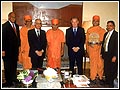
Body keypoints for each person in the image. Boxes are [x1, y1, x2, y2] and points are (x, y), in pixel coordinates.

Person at [86, 15, 106, 84]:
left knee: (100, 64)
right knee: (92, 64)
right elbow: (87, 41)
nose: (95, 22)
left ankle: (100, 77)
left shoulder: (102, 30)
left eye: (97, 21)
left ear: (99, 22)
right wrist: (88, 48)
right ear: (92, 21)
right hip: (92, 50)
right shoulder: (89, 30)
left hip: (99, 50)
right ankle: (92, 77)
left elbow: (104, 41)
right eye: (94, 21)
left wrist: (99, 42)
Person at [2, 12, 21, 87]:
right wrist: (2, 50)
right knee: (7, 66)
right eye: (12, 17)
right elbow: (2, 39)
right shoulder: (4, 26)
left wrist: (19, 46)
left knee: (14, 66)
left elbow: (18, 38)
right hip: (7, 51)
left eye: (14, 17)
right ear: (9, 17)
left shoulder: (16, 26)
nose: (14, 18)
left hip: (15, 51)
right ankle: (8, 81)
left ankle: (13, 78)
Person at [101, 21, 118, 87]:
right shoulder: (106, 34)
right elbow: (104, 44)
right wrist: (101, 53)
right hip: (106, 54)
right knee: (106, 68)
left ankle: (112, 83)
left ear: (114, 26)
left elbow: (117, 46)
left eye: (110, 25)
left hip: (112, 55)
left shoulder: (116, 35)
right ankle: (107, 81)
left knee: (112, 69)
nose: (109, 27)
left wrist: (115, 56)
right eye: (108, 25)